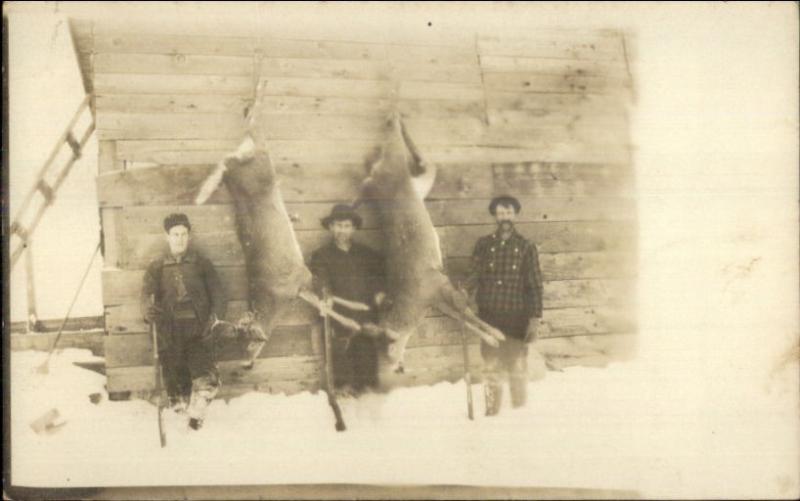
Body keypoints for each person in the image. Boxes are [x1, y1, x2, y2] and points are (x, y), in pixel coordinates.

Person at [140, 213, 227, 430]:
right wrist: (147, 310)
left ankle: (197, 414)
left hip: (199, 330)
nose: (180, 239)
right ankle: (178, 412)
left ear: (189, 236)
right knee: (174, 376)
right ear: (167, 236)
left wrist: (215, 319)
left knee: (205, 375)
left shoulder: (201, 264)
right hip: (170, 331)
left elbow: (218, 294)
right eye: (175, 234)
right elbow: (146, 294)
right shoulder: (157, 267)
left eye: (184, 234)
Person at [464, 195, 544, 416]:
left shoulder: (526, 247)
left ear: (515, 215)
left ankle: (519, 409)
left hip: (517, 317)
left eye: (508, 213)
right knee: (491, 365)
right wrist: (463, 294)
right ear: (494, 216)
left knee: (517, 364)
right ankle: (492, 410)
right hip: (489, 317)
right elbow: (473, 275)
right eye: (500, 213)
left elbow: (535, 285)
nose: (505, 217)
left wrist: (534, 320)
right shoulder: (483, 245)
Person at [309, 204, 386, 394]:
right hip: (338, 315)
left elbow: (378, 278)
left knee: (366, 360)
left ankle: (366, 394)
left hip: (365, 314)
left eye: (346, 226)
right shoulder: (321, 255)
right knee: (340, 360)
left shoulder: (368, 254)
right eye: (337, 225)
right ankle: (342, 391)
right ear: (330, 227)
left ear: (354, 228)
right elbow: (321, 280)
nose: (341, 230)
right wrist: (325, 295)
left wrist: (380, 294)